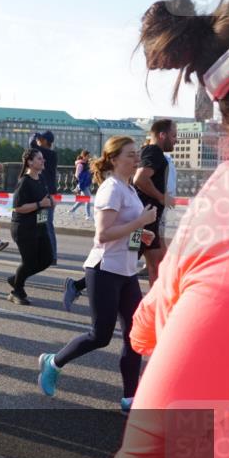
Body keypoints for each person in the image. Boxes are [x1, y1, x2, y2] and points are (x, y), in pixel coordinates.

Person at [73, 0, 229, 458]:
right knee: (99, 334)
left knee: (124, 336)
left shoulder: (221, 192)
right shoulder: (124, 184)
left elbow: (150, 333)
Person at [37, 136, 157, 407]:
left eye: (136, 153)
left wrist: (142, 233)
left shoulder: (128, 189)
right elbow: (103, 235)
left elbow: (126, 230)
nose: (136, 158)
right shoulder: (111, 189)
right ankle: (53, 362)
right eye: (130, 154)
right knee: (100, 336)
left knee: (134, 336)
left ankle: (130, 398)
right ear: (114, 159)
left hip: (126, 272)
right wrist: (140, 221)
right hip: (104, 270)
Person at [133, 118, 178, 286]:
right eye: (174, 136)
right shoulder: (154, 152)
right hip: (141, 222)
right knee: (126, 263)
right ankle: (80, 285)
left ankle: (156, 306)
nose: (176, 140)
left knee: (157, 264)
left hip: (148, 220)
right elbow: (140, 179)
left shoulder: (151, 151)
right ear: (162, 135)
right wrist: (161, 197)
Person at [7, 148, 53, 305]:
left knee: (47, 259)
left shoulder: (41, 178)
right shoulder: (24, 181)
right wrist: (41, 203)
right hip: (24, 228)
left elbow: (45, 198)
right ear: (30, 162)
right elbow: (18, 207)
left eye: (42, 158)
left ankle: (16, 279)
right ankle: (16, 291)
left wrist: (49, 202)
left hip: (40, 225)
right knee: (29, 262)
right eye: (39, 159)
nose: (43, 161)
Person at [31, 131, 59, 264]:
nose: (38, 141)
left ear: (44, 141)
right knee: (42, 224)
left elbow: (31, 144)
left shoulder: (48, 153)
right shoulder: (49, 154)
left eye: (40, 139)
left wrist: (34, 135)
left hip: (46, 195)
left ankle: (51, 255)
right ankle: (45, 254)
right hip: (47, 194)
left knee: (46, 225)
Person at [68, 150, 93, 219]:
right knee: (88, 198)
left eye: (89, 156)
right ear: (84, 156)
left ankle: (72, 210)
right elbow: (77, 175)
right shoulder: (80, 164)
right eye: (88, 156)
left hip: (86, 183)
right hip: (83, 184)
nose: (89, 157)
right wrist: (79, 185)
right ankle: (87, 215)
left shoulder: (86, 163)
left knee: (82, 199)